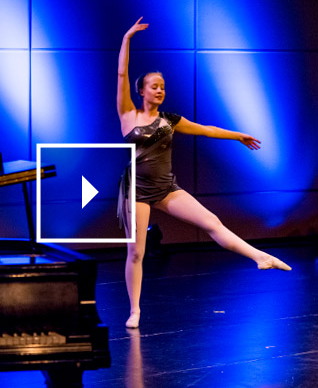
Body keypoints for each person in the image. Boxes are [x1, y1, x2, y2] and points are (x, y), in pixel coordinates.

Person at [117, 18, 292, 329]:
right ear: (141, 91)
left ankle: (259, 257)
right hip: (136, 191)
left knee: (212, 222)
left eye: (163, 87)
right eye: (154, 86)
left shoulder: (171, 119)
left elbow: (207, 130)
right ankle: (135, 310)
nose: (160, 90)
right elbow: (121, 73)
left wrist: (237, 135)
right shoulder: (128, 114)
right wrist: (128, 37)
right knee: (136, 253)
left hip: (166, 188)